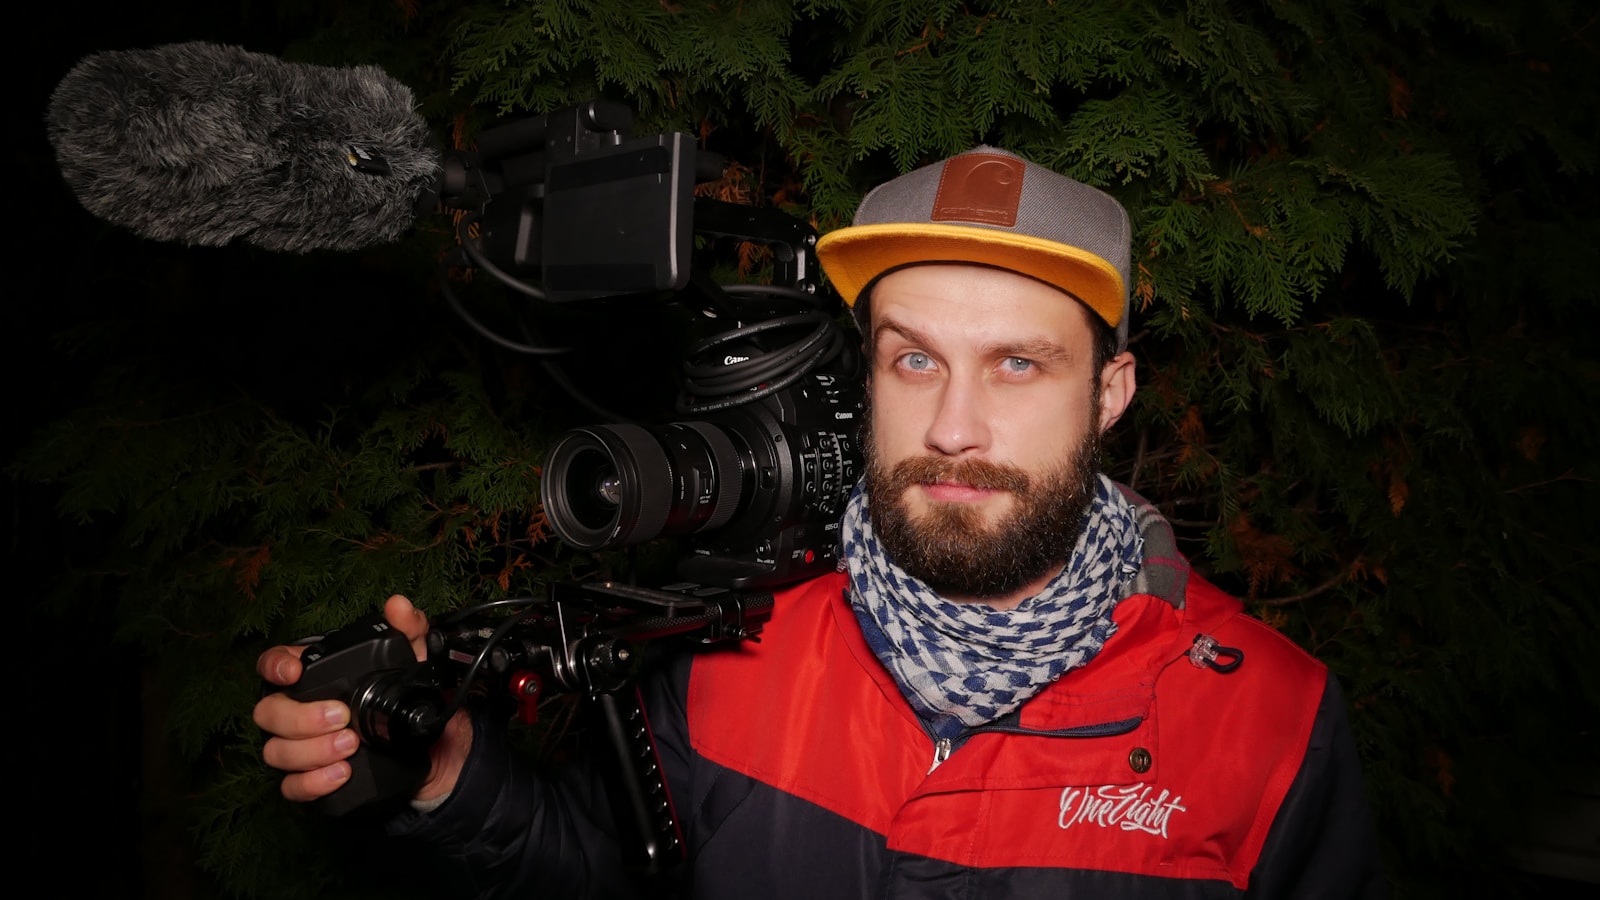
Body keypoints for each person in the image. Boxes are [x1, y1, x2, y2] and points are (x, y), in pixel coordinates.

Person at [256, 147, 1385, 897]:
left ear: (1110, 391)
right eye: (914, 358)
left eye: (1018, 365)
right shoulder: (737, 641)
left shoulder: (1272, 725)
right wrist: (453, 770)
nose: (952, 427)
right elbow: (606, 863)